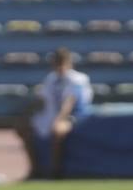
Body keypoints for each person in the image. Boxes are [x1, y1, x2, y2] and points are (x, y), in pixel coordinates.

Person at [15, 47, 92, 179]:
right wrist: (27, 114)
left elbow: (69, 102)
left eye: (62, 63)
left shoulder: (77, 79)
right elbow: (42, 99)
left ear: (69, 63)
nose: (59, 67)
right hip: (51, 115)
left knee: (57, 130)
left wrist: (59, 119)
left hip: (74, 117)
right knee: (23, 128)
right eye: (57, 64)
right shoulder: (51, 79)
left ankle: (56, 170)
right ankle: (35, 169)